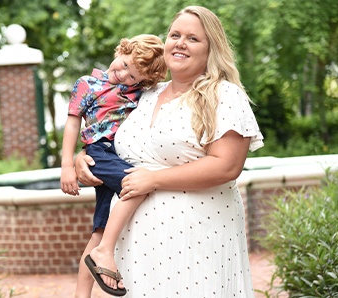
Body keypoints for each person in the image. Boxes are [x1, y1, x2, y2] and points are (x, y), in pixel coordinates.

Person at [74, 5, 264, 298]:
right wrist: (82, 158)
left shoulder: (224, 95)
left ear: (211, 48)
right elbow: (106, 135)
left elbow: (227, 166)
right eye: (175, 35)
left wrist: (154, 179)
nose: (180, 43)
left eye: (193, 38)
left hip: (197, 245)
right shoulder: (143, 95)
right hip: (133, 251)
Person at [60, 34, 167, 297]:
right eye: (124, 64)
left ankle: (82, 293)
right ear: (122, 49)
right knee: (138, 186)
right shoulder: (87, 84)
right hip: (100, 152)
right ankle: (105, 252)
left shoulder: (139, 91)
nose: (124, 76)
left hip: (118, 156)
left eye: (133, 77)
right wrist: (66, 165)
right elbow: (73, 122)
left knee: (100, 230)